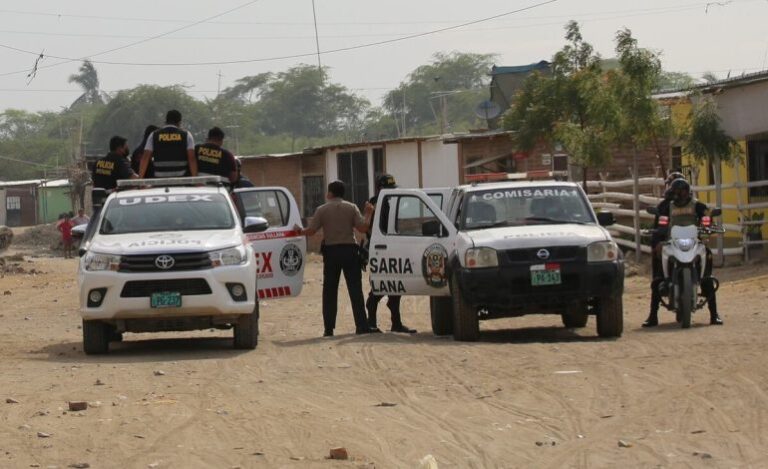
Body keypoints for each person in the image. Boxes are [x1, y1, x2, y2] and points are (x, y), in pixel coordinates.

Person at [295, 180, 377, 337]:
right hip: (350, 252)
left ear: (330, 193)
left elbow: (311, 231)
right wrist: (368, 212)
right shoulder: (351, 207)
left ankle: (329, 328)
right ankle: (361, 325)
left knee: (329, 291)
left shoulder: (322, 210)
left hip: (331, 253)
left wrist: (298, 231)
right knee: (355, 290)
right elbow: (363, 228)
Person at [642, 177, 723, 327]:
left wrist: (708, 221)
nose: (681, 195)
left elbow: (707, 215)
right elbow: (661, 222)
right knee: (658, 278)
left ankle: (714, 314)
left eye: (683, 192)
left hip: (693, 241)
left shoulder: (696, 205)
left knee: (707, 265)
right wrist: (659, 236)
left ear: (688, 192)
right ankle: (653, 315)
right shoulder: (667, 207)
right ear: (672, 193)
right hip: (673, 242)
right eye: (678, 192)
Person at [365, 174, 416, 333]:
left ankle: (396, 323)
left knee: (396, 284)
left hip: (390, 247)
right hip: (380, 249)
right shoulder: (376, 204)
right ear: (380, 189)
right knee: (381, 284)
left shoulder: (385, 202)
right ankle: (371, 322)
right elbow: (371, 228)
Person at [139, 110, 197, 178]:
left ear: (166, 121)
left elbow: (145, 157)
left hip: (160, 180)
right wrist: (196, 180)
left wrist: (140, 180)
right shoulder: (186, 135)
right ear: (179, 122)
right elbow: (192, 158)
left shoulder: (154, 135)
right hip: (180, 180)